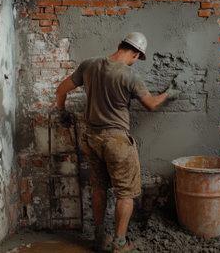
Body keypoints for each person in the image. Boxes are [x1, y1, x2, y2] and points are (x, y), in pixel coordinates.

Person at [55, 32, 180, 253]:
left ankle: (100, 237)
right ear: (135, 53)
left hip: (91, 138)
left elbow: (60, 90)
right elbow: (150, 104)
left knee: (99, 186)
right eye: (137, 58)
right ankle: (120, 243)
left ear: (120, 45)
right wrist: (169, 94)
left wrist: (62, 112)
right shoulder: (129, 76)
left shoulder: (89, 65)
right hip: (116, 141)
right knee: (125, 192)